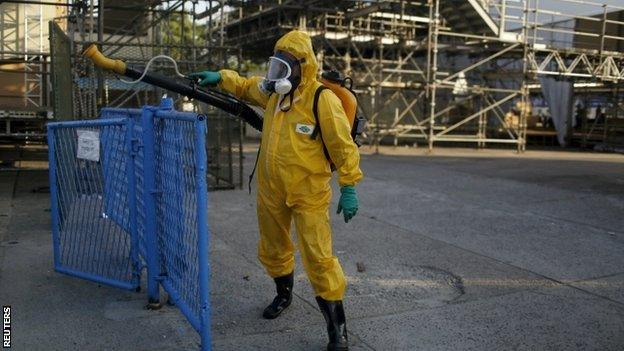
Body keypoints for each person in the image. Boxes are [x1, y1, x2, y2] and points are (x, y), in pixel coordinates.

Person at [190, 30, 362, 351]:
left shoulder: (320, 98)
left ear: (303, 66)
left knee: (319, 257)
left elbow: (342, 145)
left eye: (285, 66)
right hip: (271, 189)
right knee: (273, 246)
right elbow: (244, 85)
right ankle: (284, 294)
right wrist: (220, 77)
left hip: (308, 192)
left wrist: (349, 185)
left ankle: (337, 329)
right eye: (275, 65)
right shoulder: (274, 94)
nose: (277, 73)